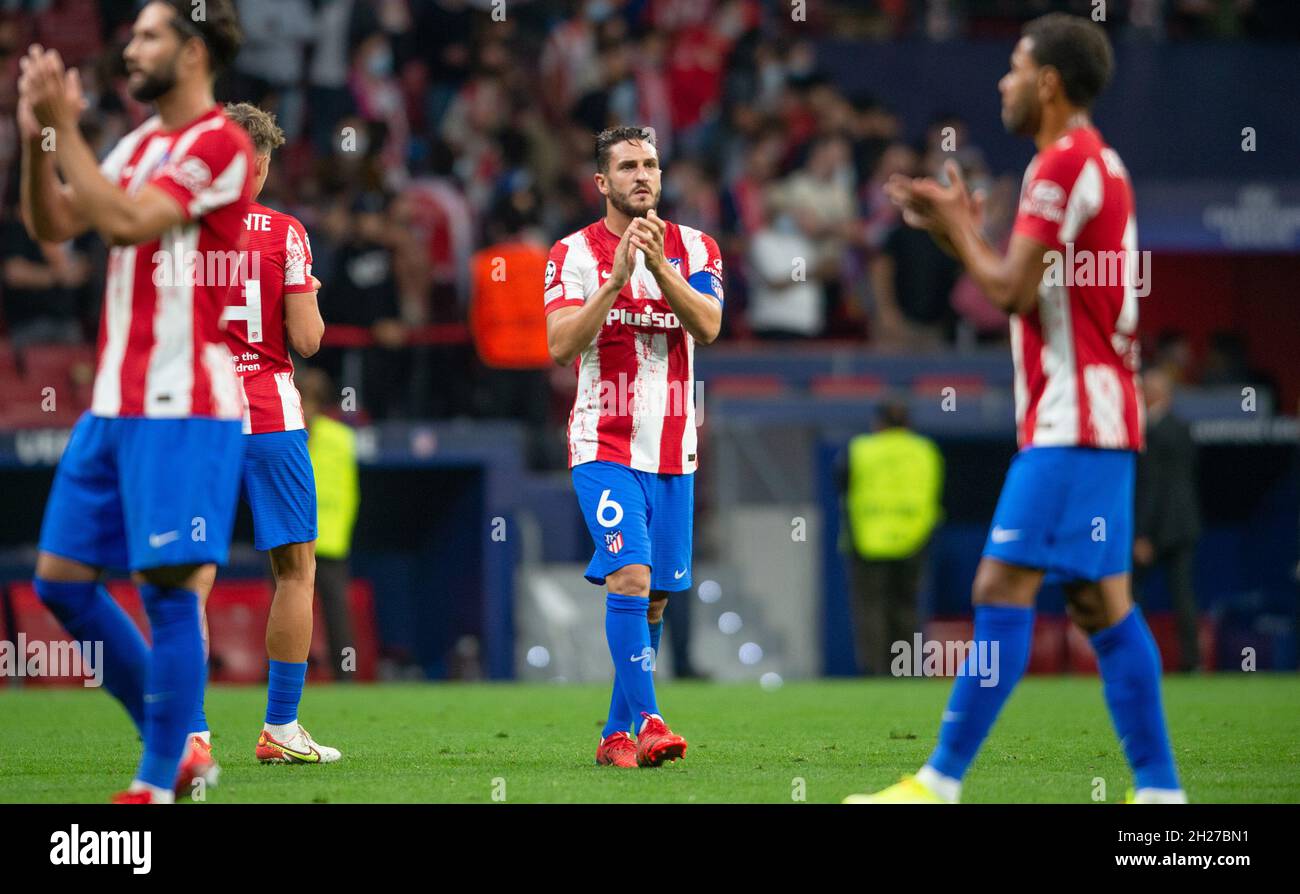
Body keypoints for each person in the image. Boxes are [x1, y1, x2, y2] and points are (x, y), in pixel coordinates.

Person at [848, 13, 1186, 804]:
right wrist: (957, 233)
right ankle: (1162, 793)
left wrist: (962, 229)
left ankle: (937, 783)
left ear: (1048, 82)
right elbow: (1019, 286)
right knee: (1100, 605)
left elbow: (1005, 288)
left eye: (1013, 66)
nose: (1001, 81)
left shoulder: (1058, 163)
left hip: (1074, 421)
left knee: (1001, 587)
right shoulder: (1098, 161)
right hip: (1096, 415)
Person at [20, 0, 253, 803]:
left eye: (150, 34)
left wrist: (68, 133)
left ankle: (157, 782)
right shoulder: (137, 143)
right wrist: (38, 138)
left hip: (186, 407)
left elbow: (122, 222)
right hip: (114, 406)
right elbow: (55, 220)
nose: (132, 47)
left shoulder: (219, 144)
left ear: (193, 51)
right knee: (59, 583)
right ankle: (176, 739)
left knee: (165, 587)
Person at [544, 125, 722, 768]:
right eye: (626, 167)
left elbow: (709, 323)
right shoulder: (571, 255)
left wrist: (658, 270)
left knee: (655, 596)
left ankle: (614, 734)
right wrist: (615, 281)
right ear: (602, 182)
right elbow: (561, 345)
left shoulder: (698, 247)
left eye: (650, 164)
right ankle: (649, 719)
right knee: (629, 573)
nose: (642, 175)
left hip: (673, 449)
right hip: (603, 443)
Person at [188, 101, 340, 769]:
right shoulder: (284, 232)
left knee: (190, 577)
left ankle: (190, 735)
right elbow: (307, 340)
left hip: (194, 417)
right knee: (295, 569)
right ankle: (280, 727)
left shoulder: (174, 228)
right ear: (263, 163)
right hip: (270, 418)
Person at [838, 400, 944, 675]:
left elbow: (840, 484)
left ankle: (875, 672)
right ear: (907, 424)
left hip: (867, 539)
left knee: (871, 608)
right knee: (907, 606)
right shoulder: (925, 450)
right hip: (914, 538)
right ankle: (905, 670)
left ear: (879, 423)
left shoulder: (860, 449)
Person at [1134, 367, 1201, 672]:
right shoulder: (1183, 427)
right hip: (1184, 525)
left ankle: (1137, 660)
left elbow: (1154, 488)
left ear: (1159, 394)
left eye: (1146, 388)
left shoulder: (1155, 431)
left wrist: (1143, 534)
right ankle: (1192, 662)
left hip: (1161, 528)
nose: (1141, 392)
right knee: (1182, 594)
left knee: (1132, 592)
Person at [299, 367, 359, 682]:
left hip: (322, 536)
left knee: (335, 609)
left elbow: (348, 490)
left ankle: (344, 675)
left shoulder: (326, 436)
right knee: (289, 608)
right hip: (298, 534)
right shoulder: (341, 436)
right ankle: (282, 676)